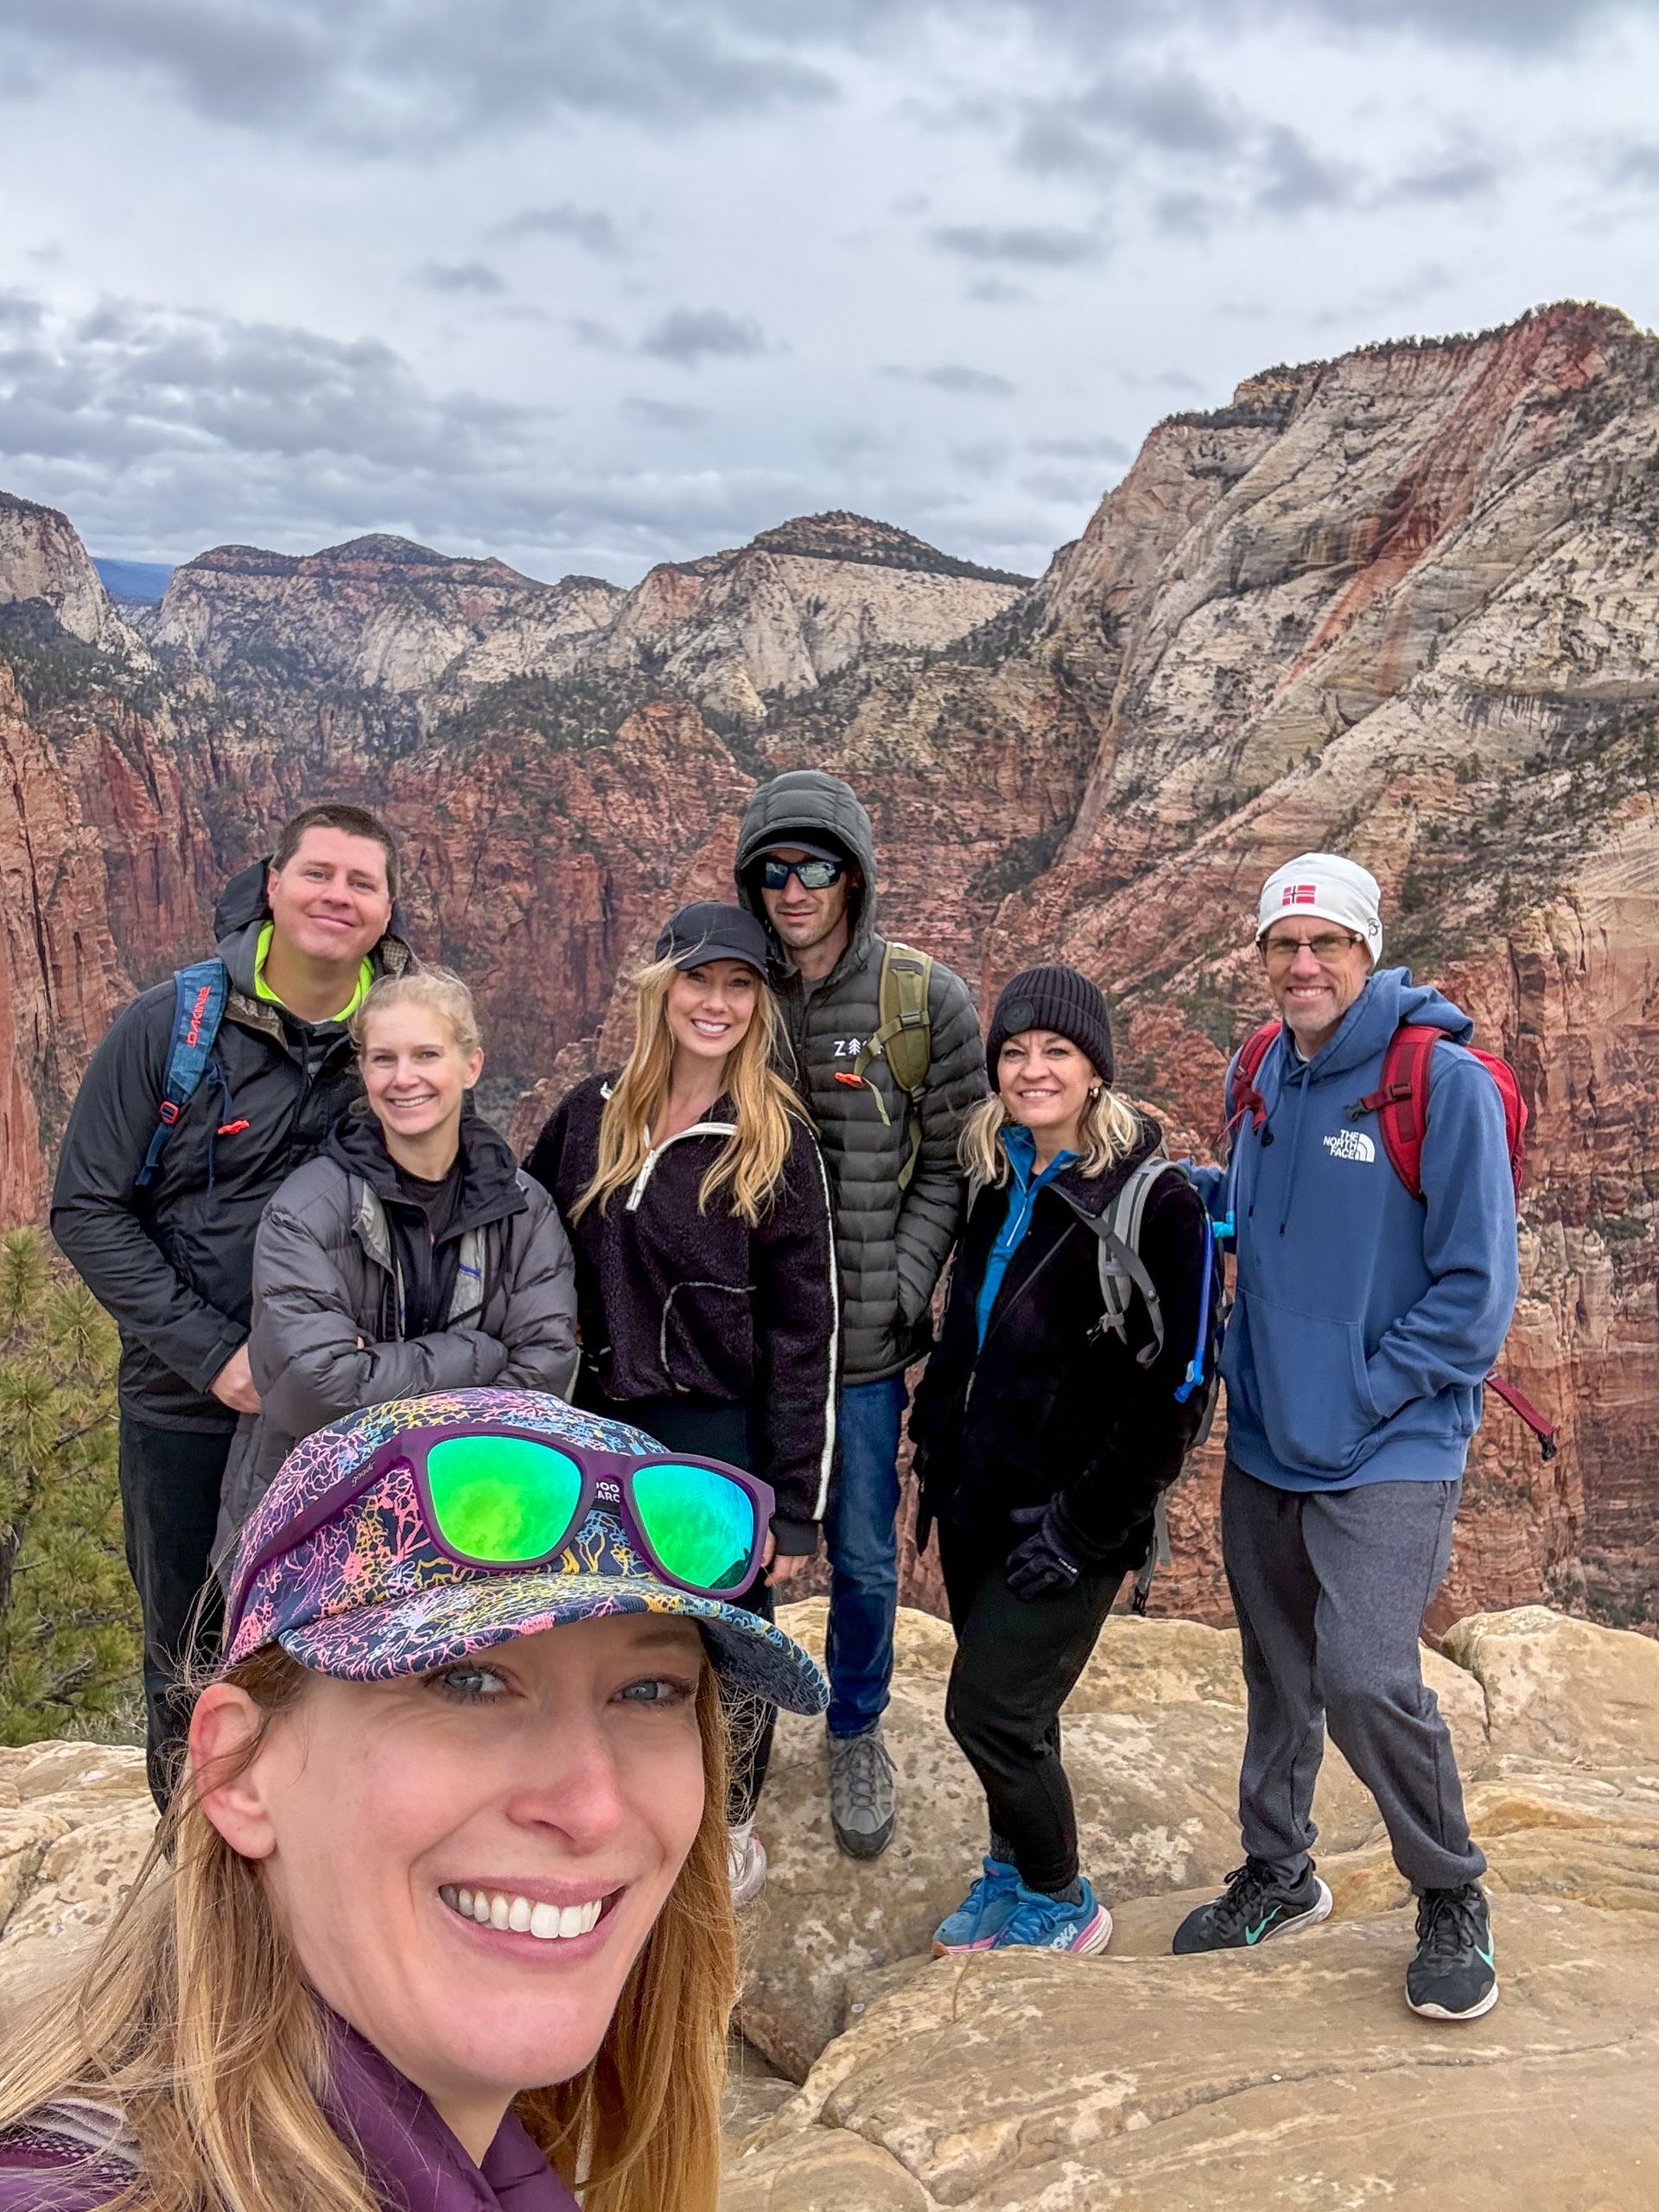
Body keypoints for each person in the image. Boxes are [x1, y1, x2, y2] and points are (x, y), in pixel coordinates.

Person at [0, 1387, 828, 2212]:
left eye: (649, 1691)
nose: (592, 1807)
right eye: (468, 1682)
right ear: (236, 1773)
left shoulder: (500, 2163)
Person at [1171, 854, 1518, 2025]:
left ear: (1368, 954)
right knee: (1277, 1671)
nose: (1303, 964)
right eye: (1284, 945)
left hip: (1391, 1443)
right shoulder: (1262, 1066)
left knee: (1367, 1676)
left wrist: (1365, 1390)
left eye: (1327, 945)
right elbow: (1272, 1215)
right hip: (1269, 1432)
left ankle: (1450, 1889)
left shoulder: (1441, 1084)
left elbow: (1475, 1296)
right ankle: (1281, 1871)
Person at [50, 803, 411, 1808]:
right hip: (184, 1403)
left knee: (330, 1645)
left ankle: (309, 1867)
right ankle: (191, 1873)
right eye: (318, 873)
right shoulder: (171, 1025)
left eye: (362, 882)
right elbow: (85, 1207)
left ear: (386, 910)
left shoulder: (400, 1040)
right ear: (272, 885)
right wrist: (215, 1354)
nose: (337, 896)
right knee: (189, 1647)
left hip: (342, 1409)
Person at [525, 902, 836, 1905]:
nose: (717, 1003)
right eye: (699, 981)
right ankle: (610, 1811)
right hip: (600, 1429)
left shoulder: (774, 1141)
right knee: (606, 1636)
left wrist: (795, 1501)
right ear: (661, 990)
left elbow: (804, 1337)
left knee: (729, 1638)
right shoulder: (590, 1114)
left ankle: (731, 1826)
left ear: (759, 1004)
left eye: (739, 985)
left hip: (714, 1438)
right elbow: (521, 1251)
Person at [908, 966, 1210, 1956]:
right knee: (1020, 1711)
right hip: (976, 1498)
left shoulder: (1154, 1203)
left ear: (1096, 1071)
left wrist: (1086, 1526)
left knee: (987, 1708)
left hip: (1072, 1517)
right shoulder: (996, 1175)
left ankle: (1060, 1897)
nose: (1032, 1069)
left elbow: (1178, 1391)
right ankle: (1008, 1867)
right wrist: (935, 1448)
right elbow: (970, 1331)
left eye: (1057, 1052)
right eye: (1014, 1051)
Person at [734, 770, 986, 1860]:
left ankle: (855, 1726)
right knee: (736, 1545)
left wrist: (898, 1280)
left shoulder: (923, 1002)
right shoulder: (729, 988)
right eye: (774, 870)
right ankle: (737, 1732)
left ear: (856, 878)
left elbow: (958, 1163)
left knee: (865, 1555)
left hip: (867, 1343)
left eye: (817, 868)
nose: (794, 889)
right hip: (746, 1343)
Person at [215, 967, 579, 1555]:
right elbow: (315, 1390)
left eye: (427, 1055)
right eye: (383, 1059)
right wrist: (479, 1354)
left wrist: (380, 1369)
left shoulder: (524, 1208)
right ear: (363, 1070)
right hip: (318, 1527)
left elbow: (543, 1375)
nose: (404, 1078)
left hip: (476, 1515)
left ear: (471, 1066)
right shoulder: (304, 1211)